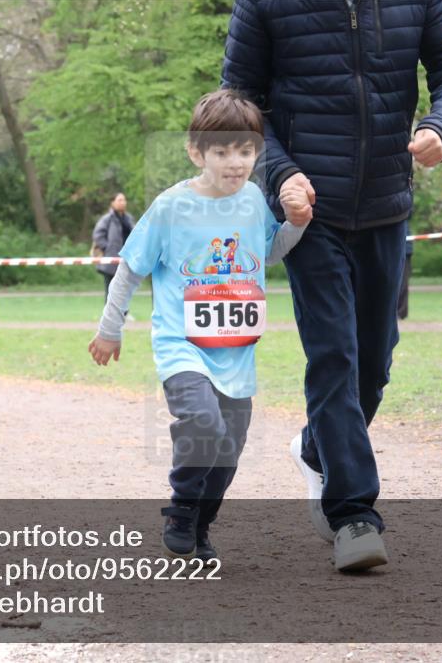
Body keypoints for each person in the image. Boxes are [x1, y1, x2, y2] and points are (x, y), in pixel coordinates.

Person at [223, 0, 442, 570]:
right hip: (308, 209)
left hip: (387, 204)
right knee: (334, 354)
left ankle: (317, 447)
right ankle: (354, 515)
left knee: (374, 362)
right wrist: (281, 173)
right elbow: (238, 105)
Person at [88, 90, 312, 561]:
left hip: (236, 354)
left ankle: (201, 523)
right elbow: (130, 269)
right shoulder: (172, 207)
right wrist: (111, 329)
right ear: (196, 152)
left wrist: (296, 223)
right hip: (182, 347)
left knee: (230, 447)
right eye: (222, 151)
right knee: (204, 425)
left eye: (246, 150)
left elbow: (269, 252)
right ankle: (182, 505)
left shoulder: (253, 200)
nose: (236, 162)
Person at [92, 193, 136, 301]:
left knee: (124, 289)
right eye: (119, 200)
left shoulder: (129, 219)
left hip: (126, 260)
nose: (122, 202)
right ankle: (109, 316)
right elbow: (97, 235)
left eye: (124, 200)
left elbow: (136, 235)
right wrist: (107, 248)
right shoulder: (107, 219)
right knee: (110, 290)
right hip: (111, 261)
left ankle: (124, 314)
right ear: (113, 202)